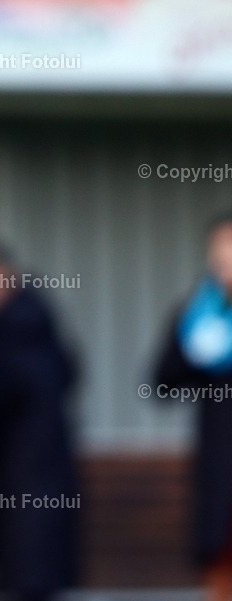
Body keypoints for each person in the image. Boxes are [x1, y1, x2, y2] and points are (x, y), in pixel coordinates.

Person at [0, 242, 79, 601]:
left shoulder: (17, 329)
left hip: (30, 479)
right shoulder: (26, 323)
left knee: (30, 575)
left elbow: (2, 397)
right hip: (22, 476)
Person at [154, 212, 232, 601]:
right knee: (220, 565)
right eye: (221, 251)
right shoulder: (195, 316)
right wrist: (196, 352)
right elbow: (162, 385)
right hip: (220, 466)